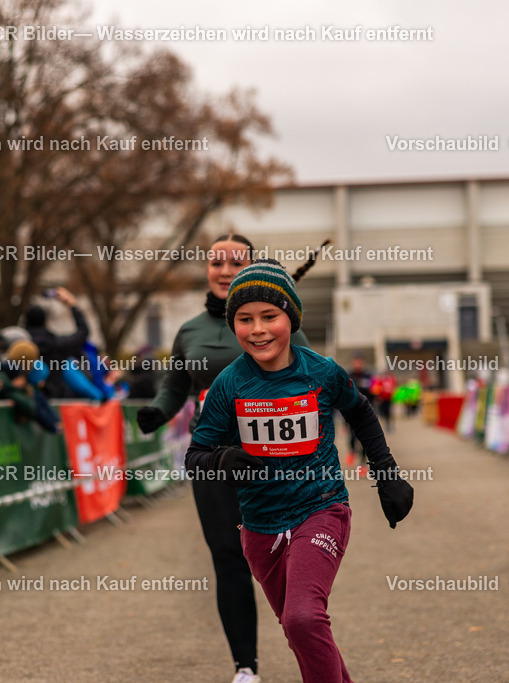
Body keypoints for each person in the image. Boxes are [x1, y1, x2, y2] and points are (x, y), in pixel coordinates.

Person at [185, 259, 414, 683]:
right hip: (259, 528)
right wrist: (221, 460)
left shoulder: (321, 372)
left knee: (304, 619)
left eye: (269, 316)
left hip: (321, 508)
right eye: (244, 319)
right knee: (299, 629)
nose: (258, 329)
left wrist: (387, 474)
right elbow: (194, 457)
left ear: (291, 317)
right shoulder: (230, 385)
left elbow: (361, 413)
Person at [135, 234, 268, 682]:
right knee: (229, 555)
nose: (225, 269)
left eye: (236, 262)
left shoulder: (274, 319)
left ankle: (309, 643)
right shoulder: (189, 330)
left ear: (251, 265)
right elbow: (176, 385)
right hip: (211, 459)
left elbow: (309, 375)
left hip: (271, 460)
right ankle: (245, 666)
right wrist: (159, 410)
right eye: (217, 262)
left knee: (278, 554)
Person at [24, 287, 91, 398]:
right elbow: (83, 332)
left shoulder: (20, 345)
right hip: (54, 399)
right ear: (45, 322)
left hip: (28, 400)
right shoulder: (56, 344)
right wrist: (72, 305)